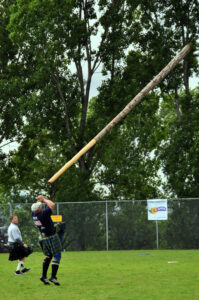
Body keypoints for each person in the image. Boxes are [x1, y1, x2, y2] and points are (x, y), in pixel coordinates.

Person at [31, 195, 62, 286]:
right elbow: (52, 205)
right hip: (51, 236)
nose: (41, 206)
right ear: (39, 209)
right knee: (57, 255)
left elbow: (36, 206)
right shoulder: (43, 214)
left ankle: (43, 276)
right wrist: (44, 199)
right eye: (40, 206)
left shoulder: (33, 214)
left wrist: (39, 199)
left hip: (44, 237)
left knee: (48, 256)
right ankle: (53, 276)